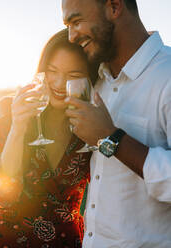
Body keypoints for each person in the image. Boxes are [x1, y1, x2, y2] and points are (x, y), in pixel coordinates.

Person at [62, 0, 171, 247]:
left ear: (114, 7)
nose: (71, 37)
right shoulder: (94, 81)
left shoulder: (168, 75)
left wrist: (111, 139)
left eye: (76, 22)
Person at [0, 29, 98, 248]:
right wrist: (18, 127)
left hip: (67, 241)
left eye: (73, 75)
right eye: (52, 71)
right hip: (11, 240)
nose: (59, 83)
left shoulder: (92, 122)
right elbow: (2, 194)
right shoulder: (8, 110)